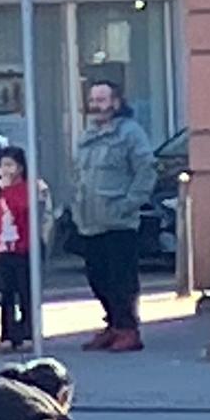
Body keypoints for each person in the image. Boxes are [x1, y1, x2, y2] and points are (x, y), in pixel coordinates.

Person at [72, 80, 156, 353]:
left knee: (122, 278)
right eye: (93, 100)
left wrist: (131, 203)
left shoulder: (130, 133)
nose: (97, 105)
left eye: (102, 99)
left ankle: (128, 329)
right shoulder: (88, 134)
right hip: (90, 220)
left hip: (119, 220)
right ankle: (113, 325)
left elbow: (146, 169)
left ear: (117, 102)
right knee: (97, 276)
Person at [0, 146, 47, 354]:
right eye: (2, 165)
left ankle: (28, 332)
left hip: (24, 248)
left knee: (25, 292)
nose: (5, 170)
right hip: (4, 248)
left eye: (10, 165)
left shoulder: (28, 189)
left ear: (20, 168)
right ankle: (7, 334)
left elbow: (27, 211)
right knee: (6, 293)